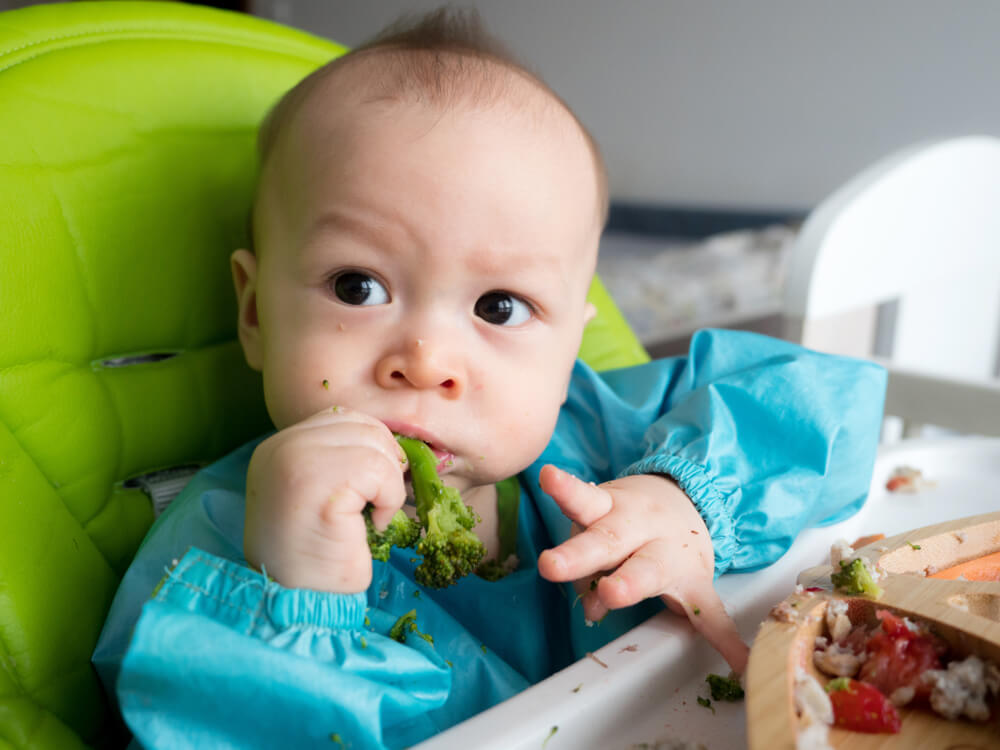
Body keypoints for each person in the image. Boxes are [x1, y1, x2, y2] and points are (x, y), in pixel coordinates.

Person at [93, 8, 886, 750]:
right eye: (357, 287)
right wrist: (301, 607)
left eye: (499, 306)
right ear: (256, 311)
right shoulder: (222, 553)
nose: (427, 360)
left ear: (567, 346)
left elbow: (829, 405)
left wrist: (691, 498)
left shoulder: (593, 440)